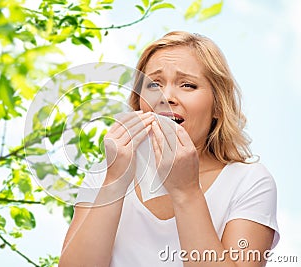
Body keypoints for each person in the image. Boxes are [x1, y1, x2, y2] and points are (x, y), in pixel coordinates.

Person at [59, 31, 279, 266]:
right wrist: (115, 180)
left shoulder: (250, 182)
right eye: (154, 84)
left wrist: (186, 192)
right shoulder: (107, 171)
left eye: (188, 85)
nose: (166, 97)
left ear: (218, 106)